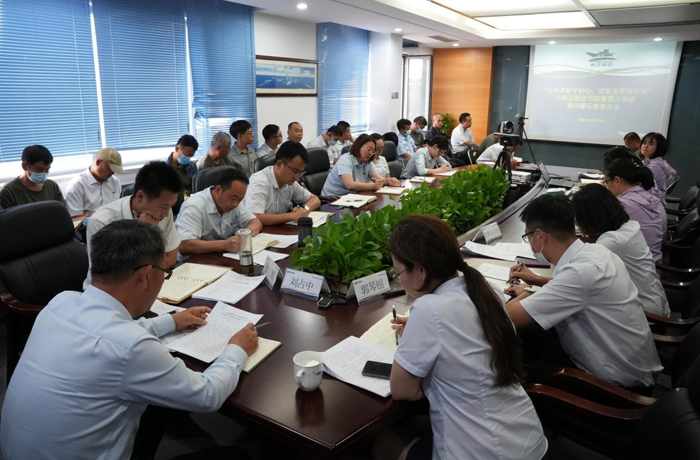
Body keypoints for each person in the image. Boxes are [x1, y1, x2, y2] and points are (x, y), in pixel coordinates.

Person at [0, 219, 259, 460]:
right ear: (146, 275)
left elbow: (109, 335)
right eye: (165, 272)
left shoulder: (60, 302)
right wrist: (236, 349)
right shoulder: (133, 347)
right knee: (236, 455)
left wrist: (171, 321)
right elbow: (208, 395)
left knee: (157, 400)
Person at [375, 215, 548, 460]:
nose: (399, 279)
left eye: (398, 271)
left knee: (382, 442)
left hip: (485, 453)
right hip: (529, 441)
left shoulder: (428, 309)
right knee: (416, 424)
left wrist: (438, 381)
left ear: (421, 270)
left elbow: (402, 390)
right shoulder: (488, 290)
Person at [504, 195, 662, 389]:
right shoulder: (596, 252)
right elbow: (573, 287)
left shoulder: (580, 273)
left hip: (614, 385)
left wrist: (527, 291)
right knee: (531, 335)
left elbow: (509, 317)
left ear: (540, 236)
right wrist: (536, 281)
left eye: (528, 236)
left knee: (513, 359)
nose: (529, 242)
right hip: (631, 363)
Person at [572, 184, 670, 317]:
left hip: (647, 314)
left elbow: (576, 276)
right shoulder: (629, 226)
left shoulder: (611, 242)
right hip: (654, 302)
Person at [86, 161, 182, 287]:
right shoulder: (102, 222)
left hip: (149, 285)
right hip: (111, 291)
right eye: (164, 207)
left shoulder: (164, 213)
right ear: (140, 196)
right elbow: (112, 278)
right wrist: (146, 234)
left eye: (170, 206)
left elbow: (171, 258)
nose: (166, 214)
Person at [176, 167, 262, 255]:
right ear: (218, 190)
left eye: (240, 199)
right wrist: (224, 245)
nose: (236, 204)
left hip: (220, 256)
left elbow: (256, 222)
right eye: (234, 198)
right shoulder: (194, 206)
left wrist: (243, 235)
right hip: (194, 259)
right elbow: (185, 245)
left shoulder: (235, 202)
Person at [604, 158, 667, 261]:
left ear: (617, 180)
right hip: (654, 259)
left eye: (607, 182)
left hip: (636, 265)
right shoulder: (647, 193)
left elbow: (603, 233)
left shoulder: (623, 204)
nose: (607, 187)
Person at [244, 141, 321, 226]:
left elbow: (315, 199)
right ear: (279, 164)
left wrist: (303, 209)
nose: (297, 178)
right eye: (295, 171)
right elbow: (254, 217)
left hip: (278, 230)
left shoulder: (290, 182)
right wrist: (292, 216)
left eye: (300, 173)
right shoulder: (259, 182)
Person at [321, 134, 400, 196]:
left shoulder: (367, 162)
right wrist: (373, 186)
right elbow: (350, 185)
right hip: (333, 198)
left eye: (373, 151)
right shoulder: (346, 160)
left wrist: (388, 180)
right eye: (369, 149)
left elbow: (378, 179)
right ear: (358, 147)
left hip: (352, 197)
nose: (370, 153)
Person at [65, 147, 125, 217]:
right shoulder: (77, 185)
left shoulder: (115, 181)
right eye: (110, 168)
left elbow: (118, 208)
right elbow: (76, 217)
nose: (112, 172)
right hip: (90, 223)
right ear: (98, 162)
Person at [0, 145, 64, 209]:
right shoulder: (8, 192)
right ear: (24, 166)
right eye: (39, 169)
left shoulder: (52, 186)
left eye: (47, 169)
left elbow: (62, 212)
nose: (44, 173)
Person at [640, 132, 676, 200]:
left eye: (651, 144)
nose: (645, 146)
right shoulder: (647, 162)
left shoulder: (655, 167)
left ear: (659, 148)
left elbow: (639, 185)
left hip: (652, 201)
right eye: (644, 143)